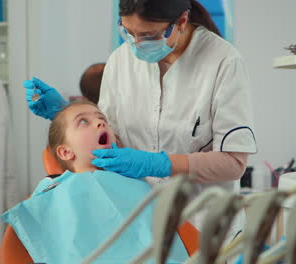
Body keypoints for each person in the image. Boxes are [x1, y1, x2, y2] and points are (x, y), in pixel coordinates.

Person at [23, 0, 256, 240]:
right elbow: (107, 141)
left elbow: (233, 163)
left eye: (147, 35)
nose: (135, 44)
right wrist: (64, 114)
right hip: (140, 228)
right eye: (127, 32)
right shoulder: (119, 60)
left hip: (204, 228)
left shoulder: (224, 61)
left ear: (181, 21)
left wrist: (159, 164)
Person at [2, 102, 189, 263]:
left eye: (103, 119)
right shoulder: (56, 191)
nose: (100, 123)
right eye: (83, 122)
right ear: (65, 152)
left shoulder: (135, 180)